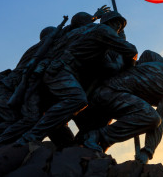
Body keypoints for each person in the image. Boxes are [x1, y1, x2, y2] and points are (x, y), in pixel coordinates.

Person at [11, 11, 138, 147]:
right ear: (113, 23)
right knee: (77, 100)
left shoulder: (86, 31)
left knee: (69, 124)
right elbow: (130, 50)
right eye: (119, 25)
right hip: (62, 70)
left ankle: (68, 147)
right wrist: (129, 67)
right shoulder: (104, 30)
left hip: (59, 70)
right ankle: (31, 136)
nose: (119, 29)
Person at [83, 50, 163, 164]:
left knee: (143, 112)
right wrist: (147, 152)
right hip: (110, 97)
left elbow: (147, 54)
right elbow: (160, 120)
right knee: (152, 118)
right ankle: (99, 136)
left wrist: (138, 76)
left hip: (103, 89)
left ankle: (98, 144)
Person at [0, 26, 57, 154]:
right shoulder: (43, 48)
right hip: (6, 90)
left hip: (5, 90)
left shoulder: (41, 47)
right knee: (13, 120)